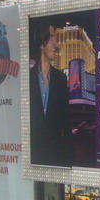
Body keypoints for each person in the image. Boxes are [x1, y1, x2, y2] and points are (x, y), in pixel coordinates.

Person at [29, 23, 73, 166]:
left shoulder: (60, 79)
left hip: (56, 156)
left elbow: (66, 121)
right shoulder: (27, 79)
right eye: (52, 38)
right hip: (33, 156)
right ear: (42, 44)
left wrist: (68, 159)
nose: (56, 44)